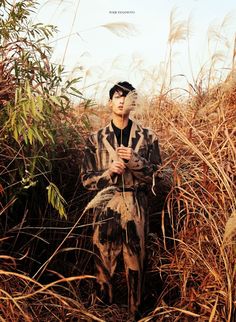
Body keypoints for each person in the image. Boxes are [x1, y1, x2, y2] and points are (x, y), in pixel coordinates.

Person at [81, 81, 164, 319]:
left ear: (132, 102)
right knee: (103, 261)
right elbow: (85, 180)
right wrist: (109, 173)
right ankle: (103, 311)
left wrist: (135, 160)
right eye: (117, 96)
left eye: (126, 96)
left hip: (136, 204)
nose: (121, 100)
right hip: (106, 205)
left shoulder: (148, 136)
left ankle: (135, 313)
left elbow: (156, 176)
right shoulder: (95, 139)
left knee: (136, 262)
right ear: (110, 102)